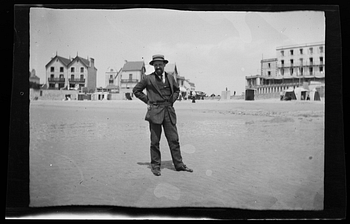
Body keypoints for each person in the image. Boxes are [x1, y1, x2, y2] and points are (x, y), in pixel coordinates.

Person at [133, 54, 193, 176]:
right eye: (156, 65)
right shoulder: (148, 78)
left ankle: (179, 165)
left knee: (174, 140)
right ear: (153, 66)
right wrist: (148, 101)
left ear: (164, 65)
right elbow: (136, 90)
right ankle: (155, 166)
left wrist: (172, 100)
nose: (158, 67)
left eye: (160, 64)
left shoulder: (171, 78)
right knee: (155, 141)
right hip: (155, 112)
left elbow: (176, 90)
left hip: (169, 112)